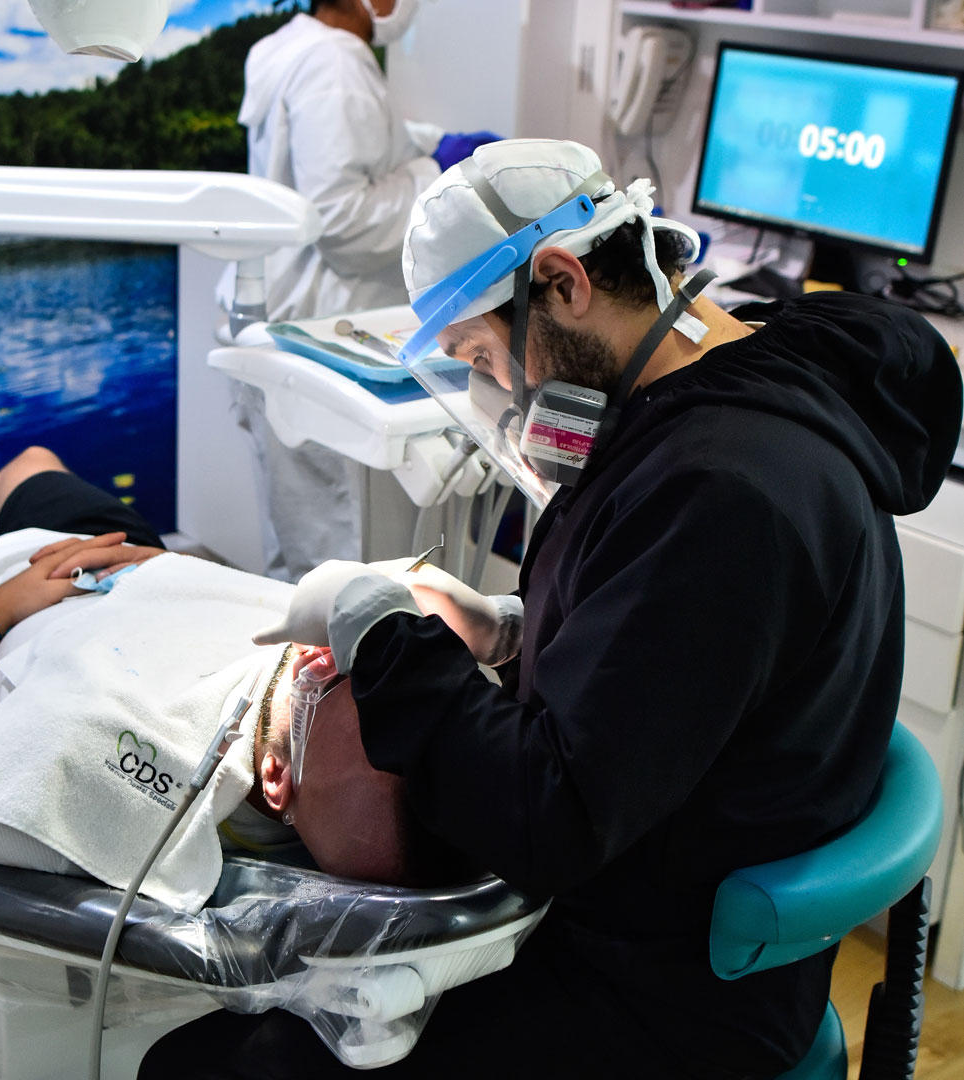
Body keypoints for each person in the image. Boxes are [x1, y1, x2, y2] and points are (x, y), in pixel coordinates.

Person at [140, 139, 963, 1076]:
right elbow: (693, 662)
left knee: (220, 1061)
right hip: (659, 889)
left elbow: (547, 821)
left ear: (563, 281)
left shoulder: (721, 491)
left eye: (484, 354)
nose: (495, 389)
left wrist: (386, 639)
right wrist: (518, 631)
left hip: (662, 1004)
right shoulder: (726, 378)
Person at [0, 442, 462, 911]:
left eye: (328, 679)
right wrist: (160, 570)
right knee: (30, 465)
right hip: (121, 561)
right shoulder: (333, 666)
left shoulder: (87, 753)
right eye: (342, 657)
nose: (322, 656)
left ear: (273, 780)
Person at [227, 0, 499, 581]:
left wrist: (430, 144)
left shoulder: (288, 47)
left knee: (296, 536)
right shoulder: (336, 63)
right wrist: (436, 175)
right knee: (338, 549)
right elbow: (343, 218)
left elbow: (352, 145)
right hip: (323, 319)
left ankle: (294, 665)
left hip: (277, 314)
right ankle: (335, 670)